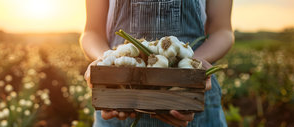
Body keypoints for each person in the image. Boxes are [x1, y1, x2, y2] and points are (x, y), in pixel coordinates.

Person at [80, 0, 234, 126]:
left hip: (195, 99)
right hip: (120, 96)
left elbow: (222, 30)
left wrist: (194, 67)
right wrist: (106, 64)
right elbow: (92, 32)